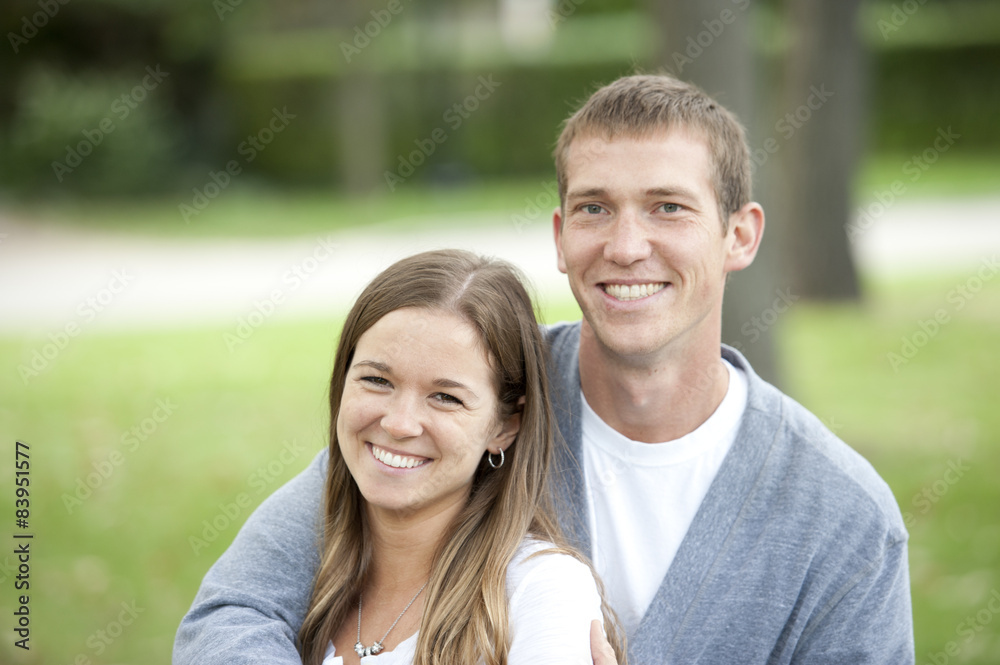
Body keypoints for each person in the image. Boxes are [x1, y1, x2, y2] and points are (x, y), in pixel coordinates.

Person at [175, 75, 914, 664]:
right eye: (595, 208)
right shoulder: (473, 396)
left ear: (740, 234)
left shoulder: (843, 519)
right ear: (561, 237)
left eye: (667, 207)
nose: (626, 245)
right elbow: (233, 612)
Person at [179, 249, 625, 665]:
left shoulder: (542, 589)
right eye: (377, 380)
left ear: (504, 426)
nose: (399, 423)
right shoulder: (312, 568)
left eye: (446, 397)